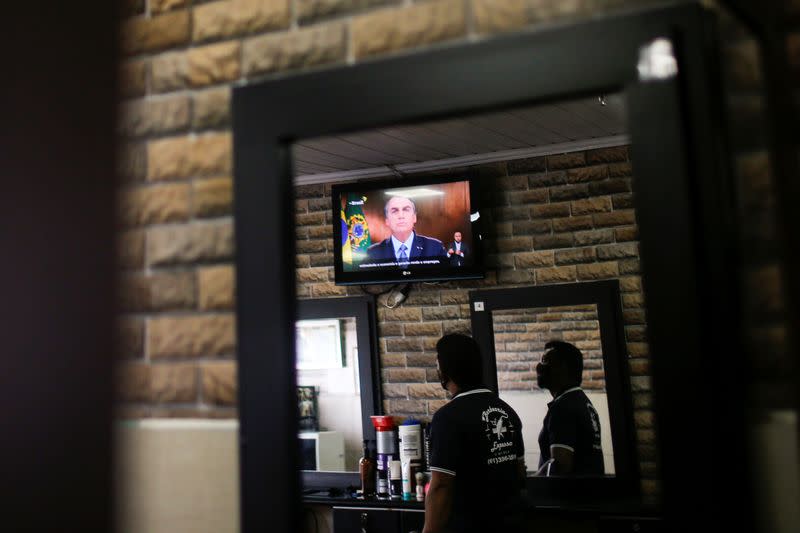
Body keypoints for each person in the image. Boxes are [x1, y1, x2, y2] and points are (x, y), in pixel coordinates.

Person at [423, 334, 526, 533]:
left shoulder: (447, 418)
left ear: (446, 370)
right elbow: (519, 471)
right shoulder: (508, 412)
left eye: (438, 364)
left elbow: (440, 487)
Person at [534, 340, 604, 477]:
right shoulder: (582, 402)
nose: (538, 367)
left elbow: (559, 466)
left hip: (568, 497)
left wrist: (531, 482)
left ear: (563, 368)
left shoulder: (562, 407)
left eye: (545, 361)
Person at [366, 196, 447, 267]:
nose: (401, 216)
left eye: (406, 210)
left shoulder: (435, 247)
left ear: (414, 218)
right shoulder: (373, 252)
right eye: (394, 211)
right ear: (387, 221)